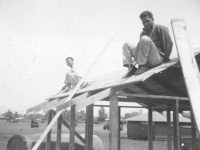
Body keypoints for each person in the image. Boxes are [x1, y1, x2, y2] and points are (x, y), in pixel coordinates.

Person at [123, 11, 173, 78]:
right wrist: (135, 60)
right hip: (146, 59)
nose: (145, 24)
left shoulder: (160, 28)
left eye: (147, 21)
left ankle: (142, 66)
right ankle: (130, 67)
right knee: (126, 44)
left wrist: (166, 59)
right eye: (143, 22)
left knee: (144, 39)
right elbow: (140, 49)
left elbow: (169, 43)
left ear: (152, 19)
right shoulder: (142, 33)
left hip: (157, 58)